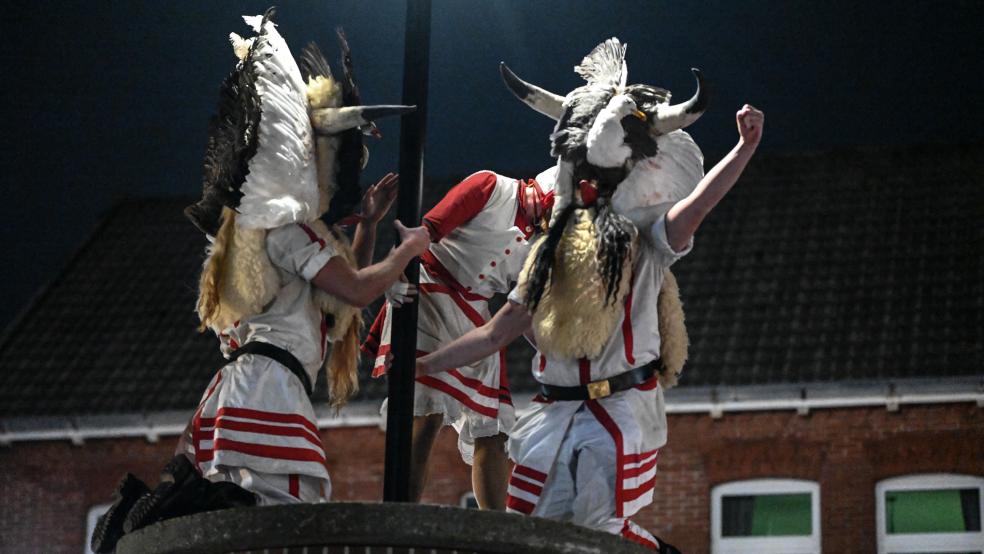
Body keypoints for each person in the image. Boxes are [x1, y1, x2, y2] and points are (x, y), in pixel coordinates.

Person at [91, 13, 425, 552]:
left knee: (249, 522)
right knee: (276, 521)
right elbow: (360, 291)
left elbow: (340, 310)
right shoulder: (289, 230)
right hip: (266, 387)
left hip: (253, 382)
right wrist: (409, 248)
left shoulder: (275, 234)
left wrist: (367, 226)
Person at [415, 104, 765, 551]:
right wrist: (423, 364)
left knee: (599, 528)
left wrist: (743, 149)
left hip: (618, 407)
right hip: (555, 411)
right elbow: (494, 334)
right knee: (536, 534)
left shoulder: (647, 243)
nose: (587, 192)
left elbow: (697, 207)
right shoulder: (546, 259)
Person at [363, 168, 555, 509]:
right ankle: (398, 519)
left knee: (493, 429)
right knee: (426, 413)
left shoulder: (542, 243)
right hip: (430, 291)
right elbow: (425, 231)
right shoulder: (491, 186)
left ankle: (494, 535)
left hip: (476, 312)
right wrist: (394, 270)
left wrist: (561, 357)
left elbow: (523, 311)